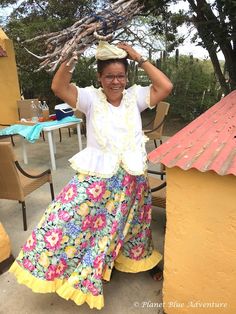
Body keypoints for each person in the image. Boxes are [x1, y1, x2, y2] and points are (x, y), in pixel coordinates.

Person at [9, 41, 173, 310]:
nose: (116, 81)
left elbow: (165, 87)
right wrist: (72, 55)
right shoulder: (90, 99)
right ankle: (75, 267)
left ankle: (133, 262)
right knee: (66, 220)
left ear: (127, 77)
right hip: (97, 181)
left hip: (132, 177)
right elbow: (59, 87)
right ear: (99, 77)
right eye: (109, 76)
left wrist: (137, 56)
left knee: (133, 226)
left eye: (120, 75)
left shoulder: (136, 97)